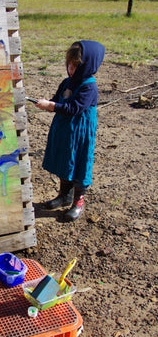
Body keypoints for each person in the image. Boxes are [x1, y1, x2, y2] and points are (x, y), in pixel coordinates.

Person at [36, 40, 105, 222]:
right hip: (65, 131)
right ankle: (64, 196)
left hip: (80, 133)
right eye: (69, 65)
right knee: (64, 160)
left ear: (87, 65)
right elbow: (57, 99)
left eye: (76, 66)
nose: (71, 69)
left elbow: (73, 108)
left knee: (79, 163)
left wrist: (51, 106)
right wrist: (47, 102)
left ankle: (78, 202)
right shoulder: (67, 82)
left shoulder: (89, 86)